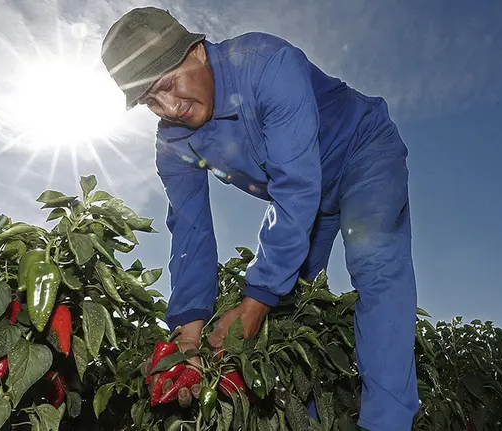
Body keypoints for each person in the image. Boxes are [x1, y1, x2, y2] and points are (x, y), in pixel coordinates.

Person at [100, 6, 420, 431]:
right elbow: (190, 232)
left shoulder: (267, 64)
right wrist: (188, 332)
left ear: (197, 52)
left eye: (168, 85)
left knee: (374, 262)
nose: (169, 107)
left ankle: (387, 422)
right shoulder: (173, 144)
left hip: (363, 152)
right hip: (308, 195)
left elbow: (295, 186)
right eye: (149, 101)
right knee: (292, 308)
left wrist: (256, 300)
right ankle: (304, 419)